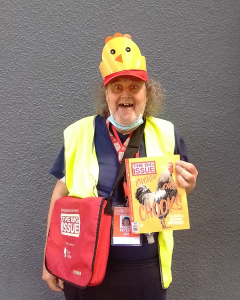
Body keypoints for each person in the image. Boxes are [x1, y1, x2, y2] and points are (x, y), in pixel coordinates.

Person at [42, 32, 198, 300]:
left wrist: (189, 184)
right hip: (86, 268)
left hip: (145, 270)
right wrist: (50, 257)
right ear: (106, 94)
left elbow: (177, 192)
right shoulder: (79, 134)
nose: (125, 95)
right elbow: (59, 196)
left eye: (134, 87)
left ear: (147, 93)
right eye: (117, 87)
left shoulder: (167, 134)